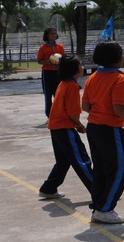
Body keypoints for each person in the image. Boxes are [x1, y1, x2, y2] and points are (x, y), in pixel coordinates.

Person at [81, 41, 124, 224]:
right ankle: (105, 208)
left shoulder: (92, 78)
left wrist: (101, 109)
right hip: (110, 129)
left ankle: (98, 206)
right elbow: (118, 108)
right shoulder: (119, 79)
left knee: (101, 170)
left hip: (94, 128)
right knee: (120, 169)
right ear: (118, 58)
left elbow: (85, 106)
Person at [38, 55, 93, 200]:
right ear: (75, 69)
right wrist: (80, 125)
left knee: (63, 162)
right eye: (80, 65)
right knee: (82, 160)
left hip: (56, 127)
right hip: (64, 127)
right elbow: (72, 113)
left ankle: (48, 188)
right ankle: (99, 191)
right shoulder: (72, 86)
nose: (82, 67)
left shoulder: (63, 83)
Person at [36, 27, 65, 118]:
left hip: (58, 73)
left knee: (58, 95)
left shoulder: (60, 46)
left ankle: (59, 113)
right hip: (47, 73)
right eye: (51, 34)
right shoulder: (43, 47)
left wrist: (60, 64)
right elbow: (39, 60)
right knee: (48, 95)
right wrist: (47, 62)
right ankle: (49, 115)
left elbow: (63, 58)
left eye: (55, 33)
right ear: (47, 36)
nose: (53, 35)